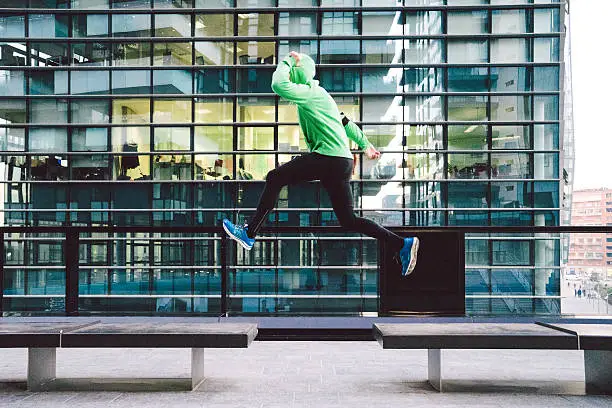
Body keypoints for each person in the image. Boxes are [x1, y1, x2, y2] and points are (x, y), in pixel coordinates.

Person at [222, 52, 420, 276]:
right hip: (342, 162)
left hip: (328, 158)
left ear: (297, 73)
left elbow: (278, 85)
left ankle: (249, 232)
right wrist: (366, 145)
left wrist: (287, 60)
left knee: (275, 177)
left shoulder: (308, 93)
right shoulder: (322, 94)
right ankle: (402, 244)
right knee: (348, 220)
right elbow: (346, 123)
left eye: (293, 71)